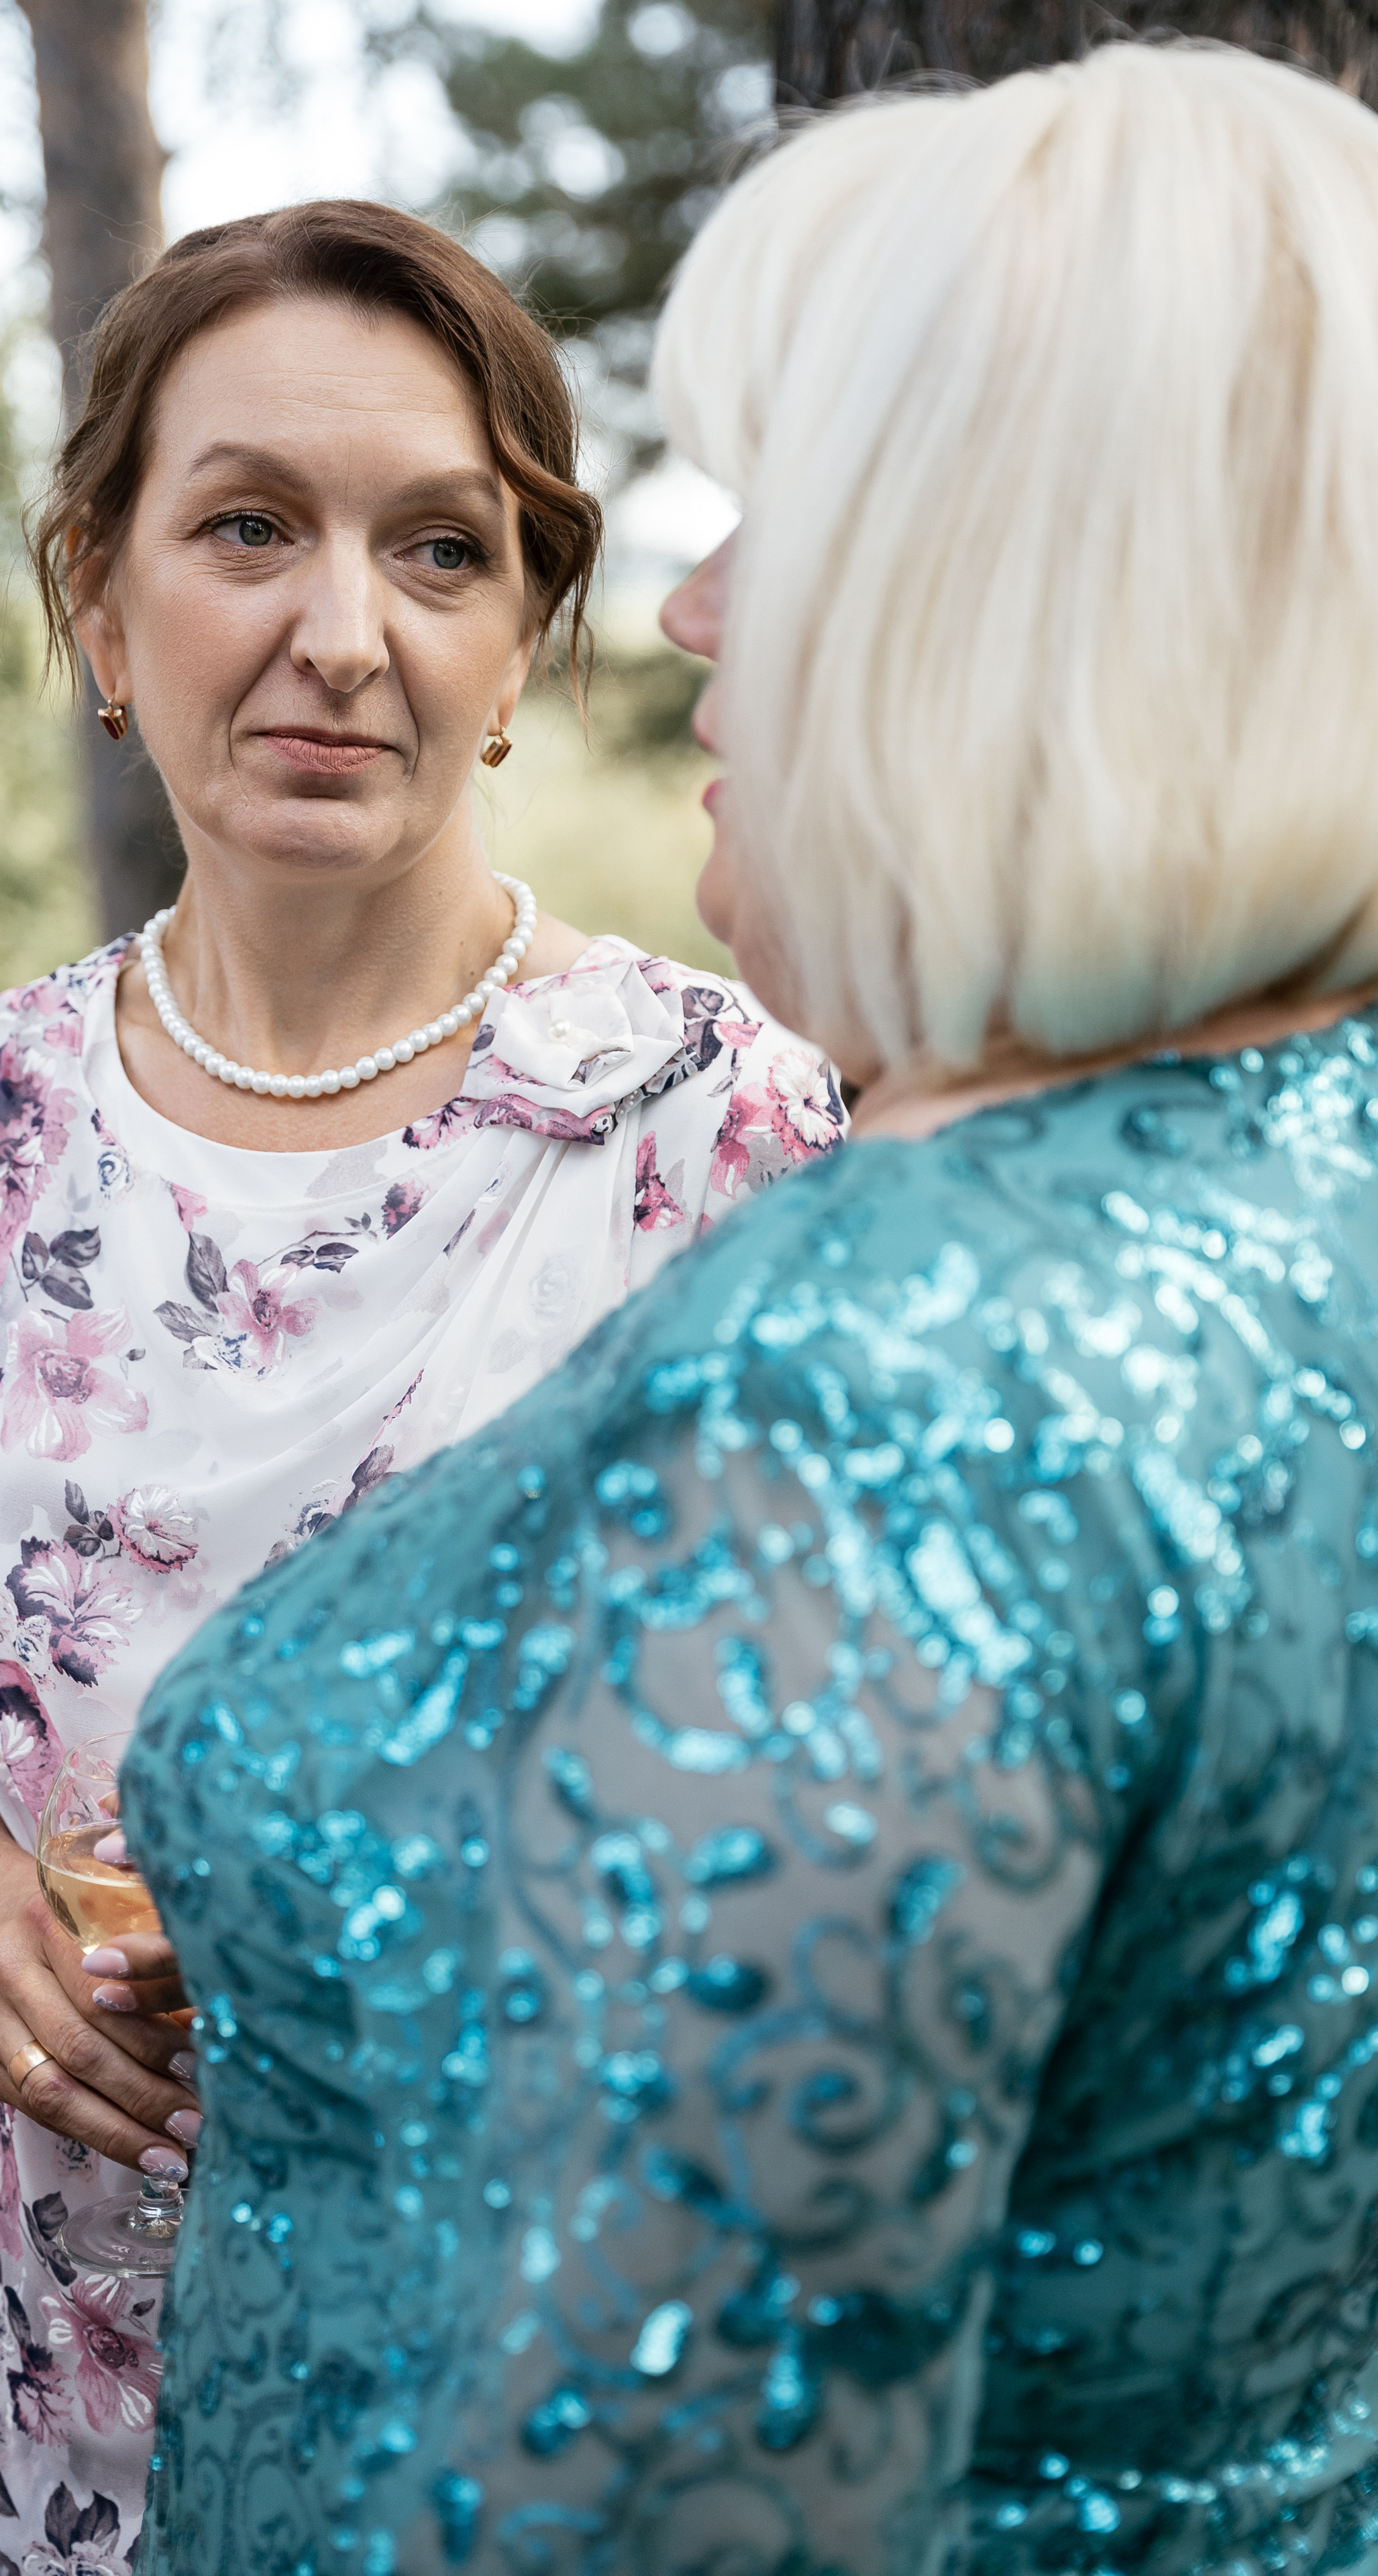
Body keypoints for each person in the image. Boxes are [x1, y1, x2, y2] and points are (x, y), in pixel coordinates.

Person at [122, 44, 1378, 2576]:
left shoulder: (878, 1395)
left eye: (784, 521)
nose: (688, 604)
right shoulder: (1306, 1174)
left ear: (1005, 608)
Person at [0, 200, 840, 2576]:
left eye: (438, 550)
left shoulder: (722, 1120)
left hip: (486, 2387)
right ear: (98, 602)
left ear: (521, 642)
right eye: (247, 524)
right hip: (21, 2370)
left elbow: (817, 1823)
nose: (336, 634)